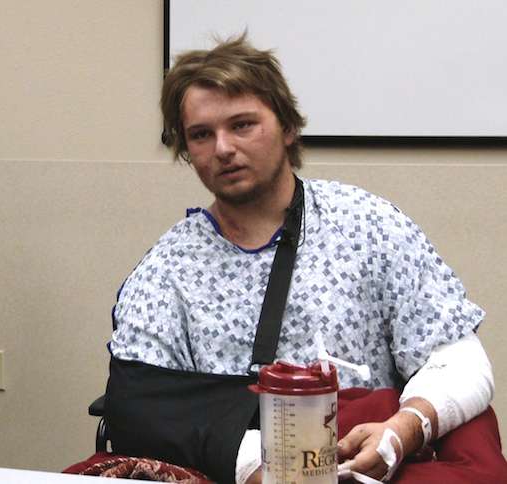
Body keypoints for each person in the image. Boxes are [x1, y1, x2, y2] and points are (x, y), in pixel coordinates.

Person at [105, 35, 494, 483]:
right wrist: (257, 465)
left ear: (287, 127)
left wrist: (404, 430)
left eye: (242, 125)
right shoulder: (166, 271)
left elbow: (462, 363)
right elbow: (137, 406)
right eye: (201, 134)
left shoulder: (369, 226)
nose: (223, 148)